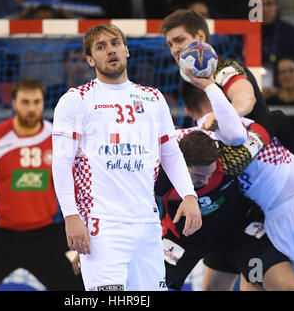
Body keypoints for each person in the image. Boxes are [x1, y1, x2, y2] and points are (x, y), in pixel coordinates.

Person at [51, 23, 200, 291]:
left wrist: (189, 195)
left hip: (147, 224)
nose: (110, 50)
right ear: (90, 59)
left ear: (126, 50)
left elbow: (170, 152)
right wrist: (71, 216)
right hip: (101, 225)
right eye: (100, 46)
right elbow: (62, 162)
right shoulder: (77, 100)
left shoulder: (153, 98)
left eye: (115, 43)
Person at [179, 73, 294, 291]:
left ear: (187, 111)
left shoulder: (194, 141)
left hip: (285, 223)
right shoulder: (234, 125)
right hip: (290, 218)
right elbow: (277, 118)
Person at [0, 78, 84, 291]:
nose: (31, 108)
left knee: (82, 288)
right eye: (25, 102)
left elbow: (78, 185)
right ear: (14, 103)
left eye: (36, 102)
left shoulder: (58, 139)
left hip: (44, 234)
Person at [160, 9, 269, 131]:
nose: (175, 49)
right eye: (170, 45)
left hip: (258, 146)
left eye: (179, 40)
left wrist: (221, 117)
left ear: (200, 37)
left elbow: (246, 99)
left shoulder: (225, 68)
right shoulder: (188, 79)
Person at [255, 0, 294, 99]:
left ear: (277, 6)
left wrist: (280, 91)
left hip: (284, 98)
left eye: (269, 4)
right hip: (251, 97)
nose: (264, 9)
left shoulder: (291, 33)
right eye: (258, 5)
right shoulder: (242, 36)